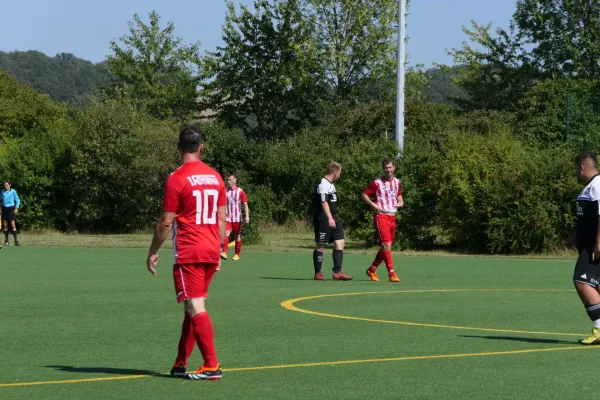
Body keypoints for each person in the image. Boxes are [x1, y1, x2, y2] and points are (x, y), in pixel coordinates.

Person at [146, 124, 227, 380]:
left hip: (189, 250)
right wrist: (220, 249)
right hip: (211, 247)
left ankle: (212, 365)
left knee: (195, 306)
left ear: (179, 147)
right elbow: (222, 217)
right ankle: (180, 363)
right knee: (191, 307)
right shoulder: (216, 176)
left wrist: (152, 251)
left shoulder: (177, 178)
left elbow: (165, 222)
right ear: (201, 147)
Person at [361, 158, 403, 283]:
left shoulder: (397, 182)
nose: (388, 170)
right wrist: (374, 205)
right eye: (386, 168)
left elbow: (398, 195)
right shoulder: (377, 183)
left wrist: (401, 201)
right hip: (381, 216)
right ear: (383, 169)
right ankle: (392, 274)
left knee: (387, 246)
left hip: (393, 216)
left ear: (394, 167)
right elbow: (364, 195)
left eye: (390, 167)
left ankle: (372, 269)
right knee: (386, 245)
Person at [312, 162, 352, 281]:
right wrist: (329, 218)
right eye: (339, 173)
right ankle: (318, 272)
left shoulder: (331, 184)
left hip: (334, 217)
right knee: (321, 244)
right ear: (335, 173)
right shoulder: (323, 184)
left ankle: (337, 272)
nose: (340, 175)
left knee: (340, 242)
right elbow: (323, 202)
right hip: (324, 218)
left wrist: (333, 217)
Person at [220, 175, 249, 261]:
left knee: (237, 236)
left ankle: (237, 254)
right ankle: (224, 252)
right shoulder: (226, 191)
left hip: (237, 217)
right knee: (226, 233)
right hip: (228, 216)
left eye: (230, 180)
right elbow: (223, 203)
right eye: (228, 180)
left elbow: (245, 204)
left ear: (235, 181)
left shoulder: (240, 191)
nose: (228, 181)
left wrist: (247, 216)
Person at [2, 180, 21, 246]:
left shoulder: (13, 191)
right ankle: (6, 241)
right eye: (4, 185)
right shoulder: (3, 192)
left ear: (10, 185)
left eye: (6, 185)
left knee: (13, 225)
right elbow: (0, 200)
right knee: (5, 225)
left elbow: (17, 199)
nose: (5, 186)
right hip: (4, 209)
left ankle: (16, 241)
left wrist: (16, 208)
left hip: (11, 208)